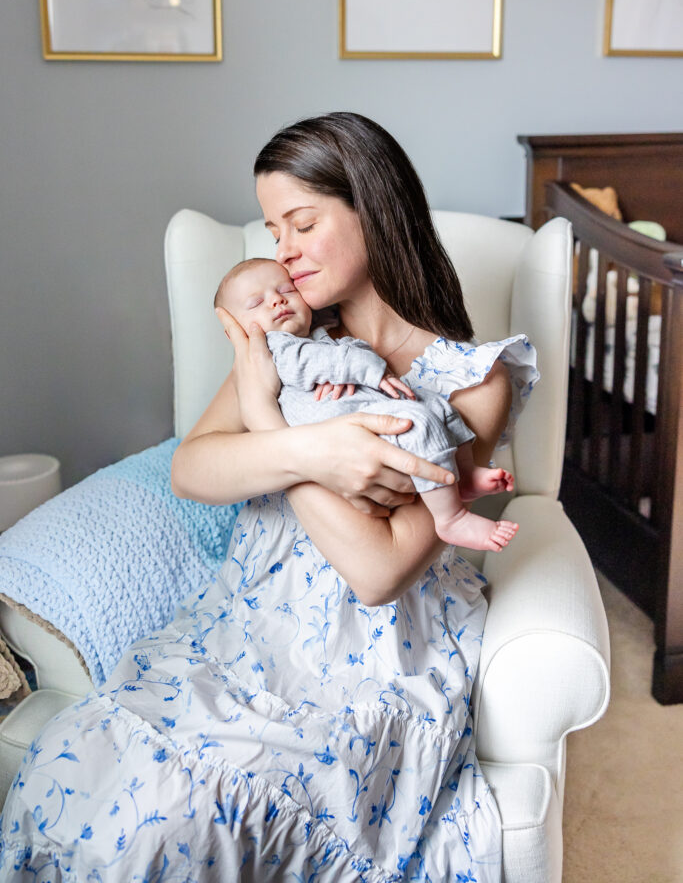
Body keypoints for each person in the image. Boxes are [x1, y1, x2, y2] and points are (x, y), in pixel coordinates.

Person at [0, 113, 538, 882]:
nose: (280, 250)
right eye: (272, 228)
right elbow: (194, 469)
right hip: (246, 626)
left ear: (373, 210)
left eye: (302, 223)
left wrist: (266, 428)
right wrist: (310, 445)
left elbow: (377, 572)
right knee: (79, 776)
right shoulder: (284, 344)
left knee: (189, 821)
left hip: (371, 657)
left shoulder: (469, 380)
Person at [214, 256, 531, 553]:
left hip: (363, 412)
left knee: (437, 407)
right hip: (353, 430)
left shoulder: (316, 335)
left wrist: (347, 359)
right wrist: (360, 368)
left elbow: (344, 351)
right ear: (236, 331)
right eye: (257, 303)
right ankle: (450, 518)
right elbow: (311, 362)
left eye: (286, 290)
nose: (277, 300)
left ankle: (461, 474)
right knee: (417, 423)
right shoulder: (270, 348)